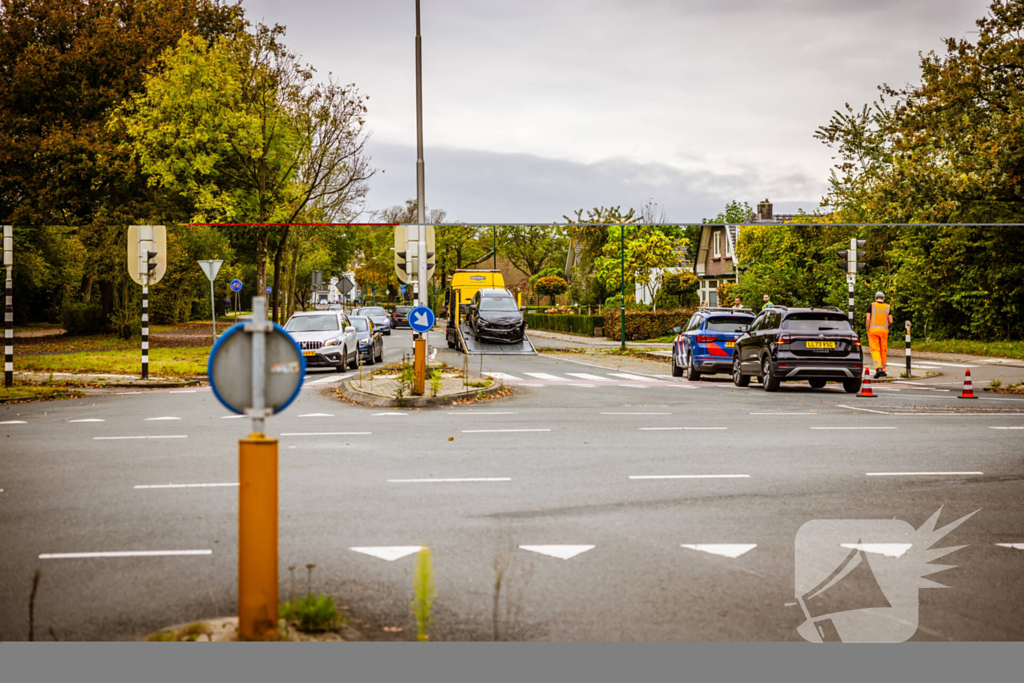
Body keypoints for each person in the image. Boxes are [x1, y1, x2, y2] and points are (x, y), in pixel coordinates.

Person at [866, 291, 893, 378]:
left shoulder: (871, 305)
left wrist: (867, 329)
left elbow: (868, 319)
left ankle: (878, 368)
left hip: (873, 331)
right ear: (883, 298)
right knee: (883, 350)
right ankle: (883, 370)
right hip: (884, 331)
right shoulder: (888, 307)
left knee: (874, 349)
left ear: (875, 298)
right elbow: (891, 320)